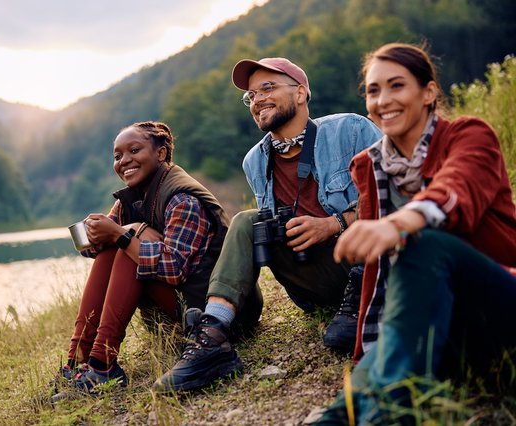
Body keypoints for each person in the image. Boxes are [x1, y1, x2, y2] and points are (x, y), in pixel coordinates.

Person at [315, 43, 516, 424]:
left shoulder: (468, 136)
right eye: (374, 90)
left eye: (396, 86)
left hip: (499, 301)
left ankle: (393, 415)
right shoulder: (371, 167)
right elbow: (380, 278)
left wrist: (400, 222)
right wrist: (368, 351)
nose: (383, 100)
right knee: (346, 406)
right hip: (435, 317)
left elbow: (459, 189)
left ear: (428, 93)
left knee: (422, 243)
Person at [154, 57, 382, 392]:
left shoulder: (350, 129)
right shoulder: (255, 161)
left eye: (268, 87)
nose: (257, 98)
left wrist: (333, 224)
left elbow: (393, 195)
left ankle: (362, 306)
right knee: (249, 221)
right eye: (251, 95)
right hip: (313, 281)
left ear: (301, 93)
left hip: (370, 267)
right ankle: (213, 335)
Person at [53, 121, 230, 397]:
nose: (125, 161)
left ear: (161, 153)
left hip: (211, 321)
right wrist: (94, 235)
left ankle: (102, 363)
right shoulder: (130, 199)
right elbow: (94, 251)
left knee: (128, 237)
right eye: (117, 156)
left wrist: (121, 236)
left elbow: (174, 270)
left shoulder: (182, 198)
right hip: (174, 312)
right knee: (122, 238)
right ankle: (78, 360)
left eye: (134, 150)